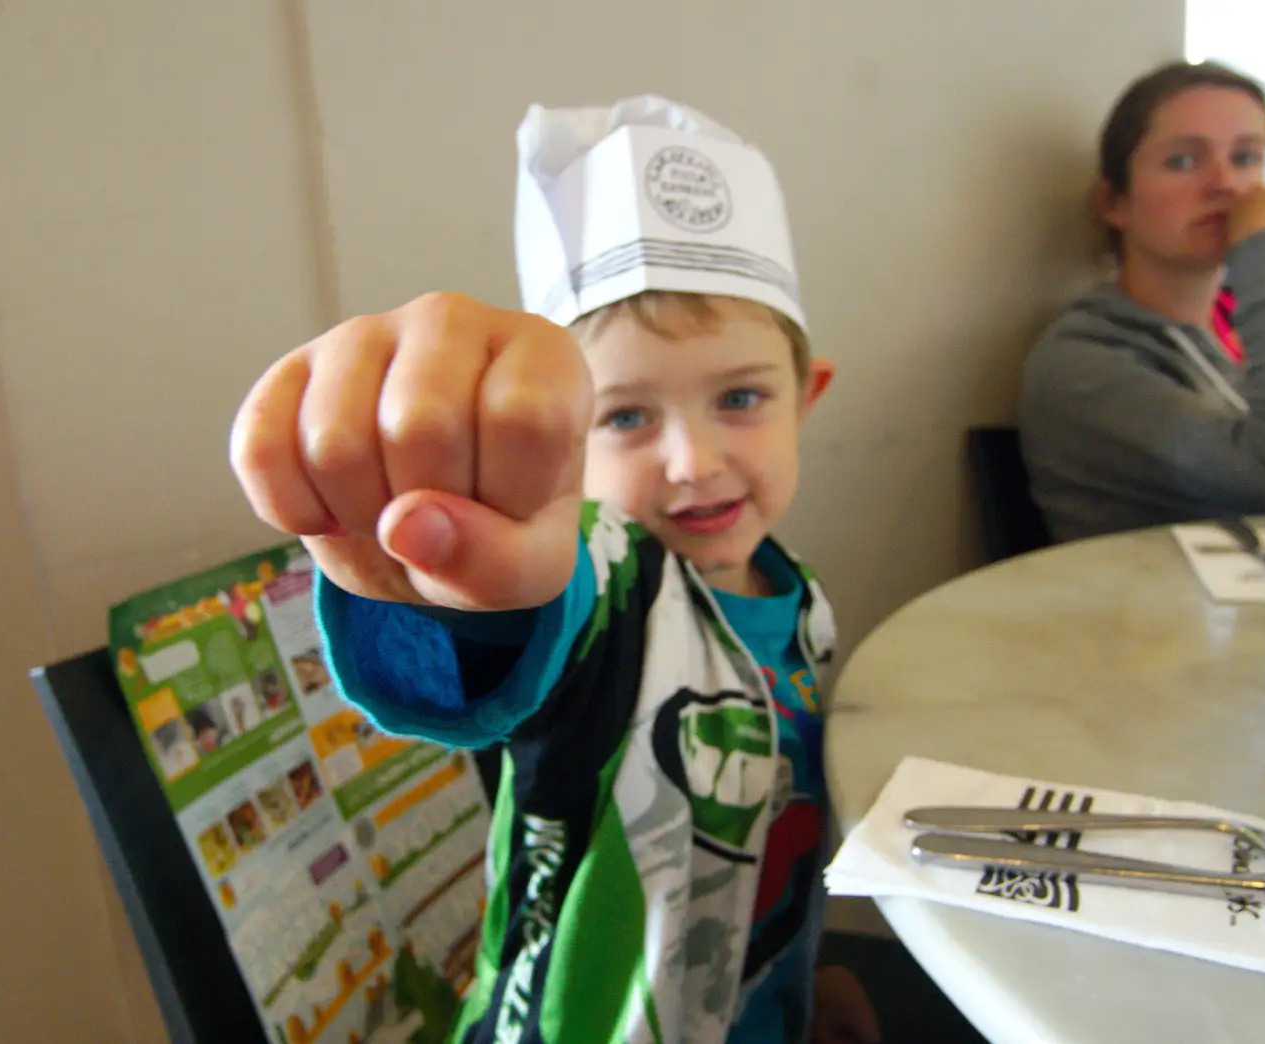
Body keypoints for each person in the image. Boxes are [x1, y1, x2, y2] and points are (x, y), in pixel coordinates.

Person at [230, 96, 879, 1043]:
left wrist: (800, 986)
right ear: (558, 446)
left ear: (806, 396)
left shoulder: (800, 596)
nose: (692, 461)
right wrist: (466, 584)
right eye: (624, 418)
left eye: (740, 397)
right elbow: (518, 620)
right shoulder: (612, 588)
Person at [1018, 60, 1265, 543]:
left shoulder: (1254, 330)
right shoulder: (1082, 365)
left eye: (1246, 158)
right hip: (1145, 615)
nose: (1226, 184)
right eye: (1182, 160)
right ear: (1114, 203)